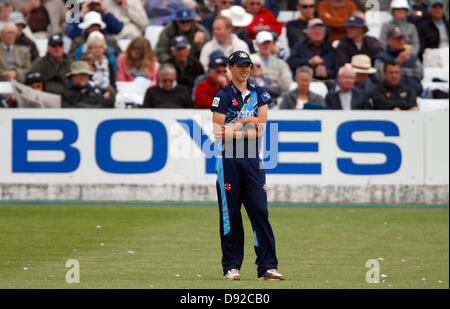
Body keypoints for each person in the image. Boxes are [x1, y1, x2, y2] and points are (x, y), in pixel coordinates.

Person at [211, 50, 284, 281]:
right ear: (230, 68)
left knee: (259, 211)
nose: (245, 70)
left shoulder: (259, 93)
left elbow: (261, 128)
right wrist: (243, 122)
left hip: (252, 160)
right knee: (230, 215)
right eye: (240, 65)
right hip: (228, 161)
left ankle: (267, 267)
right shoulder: (222, 96)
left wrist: (234, 131)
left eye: (248, 66)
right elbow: (217, 133)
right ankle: (231, 267)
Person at [374, 26, 424, 96]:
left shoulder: (412, 56)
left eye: (402, 38)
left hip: (415, 95)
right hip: (392, 97)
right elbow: (379, 76)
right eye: (396, 39)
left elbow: (420, 74)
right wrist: (398, 62)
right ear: (388, 40)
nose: (400, 41)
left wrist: (398, 72)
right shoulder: (381, 58)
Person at [287, 18, 336, 84]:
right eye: (313, 29)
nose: (317, 32)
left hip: (326, 82)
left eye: (320, 29)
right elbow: (290, 63)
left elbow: (338, 70)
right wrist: (308, 61)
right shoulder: (299, 46)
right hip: (303, 82)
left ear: (324, 32)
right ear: (307, 32)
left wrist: (327, 72)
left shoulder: (331, 49)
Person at [255, 31, 293, 96]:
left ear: (272, 44)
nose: (266, 45)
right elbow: (249, 82)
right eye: (263, 43)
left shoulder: (281, 63)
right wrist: (275, 82)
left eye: (268, 43)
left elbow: (287, 83)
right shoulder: (251, 60)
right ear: (257, 44)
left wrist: (264, 85)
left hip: (278, 98)